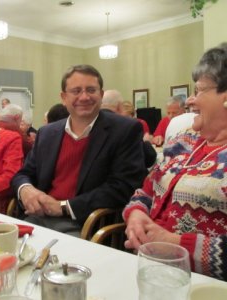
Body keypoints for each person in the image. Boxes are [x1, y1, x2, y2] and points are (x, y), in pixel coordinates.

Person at [123, 43, 227, 281]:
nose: (190, 100)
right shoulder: (184, 140)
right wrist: (136, 213)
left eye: (199, 90)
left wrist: (176, 245)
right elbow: (145, 190)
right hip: (144, 268)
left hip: (203, 285)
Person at [11, 65, 147, 236]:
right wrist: (25, 189)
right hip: (38, 217)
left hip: (86, 224)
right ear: (64, 97)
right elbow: (23, 174)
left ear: (101, 94)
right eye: (76, 91)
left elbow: (124, 186)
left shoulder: (125, 130)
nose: (84, 97)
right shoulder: (47, 133)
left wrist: (64, 207)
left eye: (91, 90)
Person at [101, 90, 157, 169]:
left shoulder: (89, 124)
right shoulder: (128, 126)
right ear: (120, 106)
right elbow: (149, 158)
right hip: (126, 178)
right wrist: (147, 142)